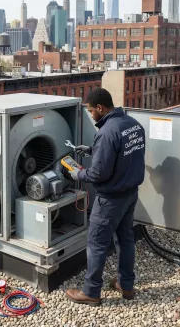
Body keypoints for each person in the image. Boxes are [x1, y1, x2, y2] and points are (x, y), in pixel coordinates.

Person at [65, 88, 146, 306]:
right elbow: (120, 153)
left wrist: (77, 174)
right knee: (125, 240)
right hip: (130, 195)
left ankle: (91, 292)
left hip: (110, 199)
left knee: (96, 244)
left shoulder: (107, 132)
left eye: (91, 111)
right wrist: (93, 149)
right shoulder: (133, 125)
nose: (91, 115)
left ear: (100, 108)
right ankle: (126, 286)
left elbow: (99, 173)